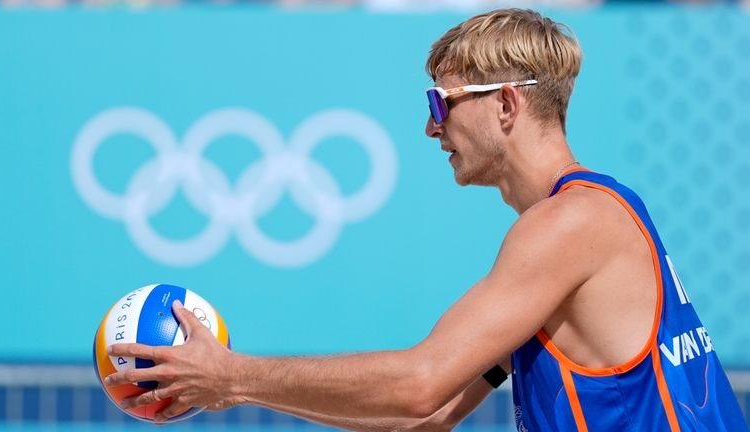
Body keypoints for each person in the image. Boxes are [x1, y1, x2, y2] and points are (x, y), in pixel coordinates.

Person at [105, 9, 748, 431]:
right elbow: (430, 416)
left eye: (440, 102)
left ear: (505, 103)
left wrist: (234, 375)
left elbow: (419, 384)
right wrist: (232, 389)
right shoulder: (599, 213)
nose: (429, 126)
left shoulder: (570, 224)